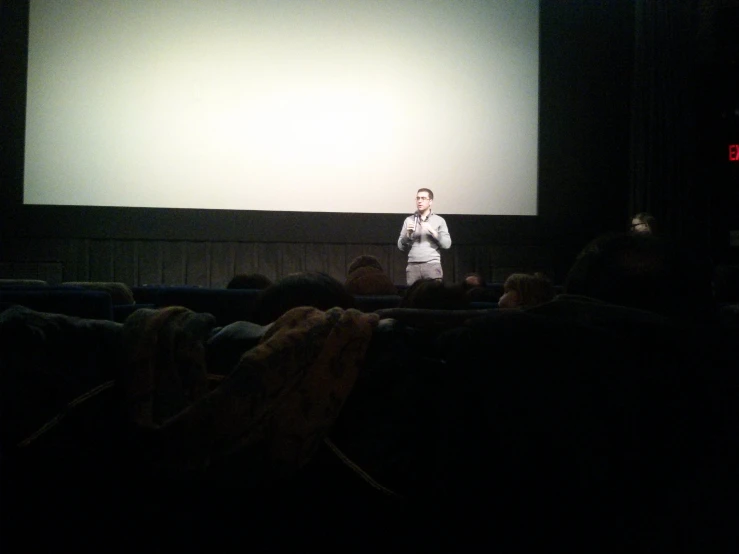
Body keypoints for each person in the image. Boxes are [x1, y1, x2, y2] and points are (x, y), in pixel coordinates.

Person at [397, 188, 452, 286]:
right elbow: (400, 246)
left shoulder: (439, 220)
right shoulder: (408, 220)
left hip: (432, 265)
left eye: (423, 198)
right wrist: (408, 235)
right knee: (413, 297)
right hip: (413, 265)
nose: (419, 201)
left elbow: (447, 244)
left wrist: (433, 232)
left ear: (430, 201)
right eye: (417, 198)